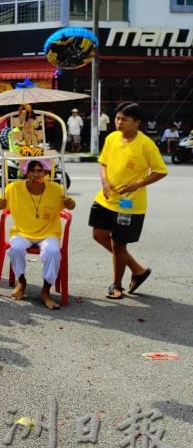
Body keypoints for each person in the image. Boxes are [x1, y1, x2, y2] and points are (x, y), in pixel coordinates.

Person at [89, 102, 167, 300]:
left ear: (137, 123)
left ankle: (116, 285)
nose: (119, 122)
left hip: (129, 203)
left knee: (119, 244)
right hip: (106, 198)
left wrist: (137, 184)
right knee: (99, 234)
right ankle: (138, 269)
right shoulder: (112, 137)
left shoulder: (146, 145)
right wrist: (105, 182)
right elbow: (103, 163)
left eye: (124, 119)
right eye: (117, 118)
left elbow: (160, 171)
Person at [0, 159, 76, 310]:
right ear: (26, 172)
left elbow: (70, 204)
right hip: (22, 232)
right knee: (15, 248)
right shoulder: (14, 188)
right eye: (32, 170)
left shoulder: (56, 189)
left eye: (40, 170)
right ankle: (22, 281)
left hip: (48, 233)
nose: (36, 174)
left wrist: (71, 204)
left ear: (45, 172)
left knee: (52, 252)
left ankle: (46, 291)